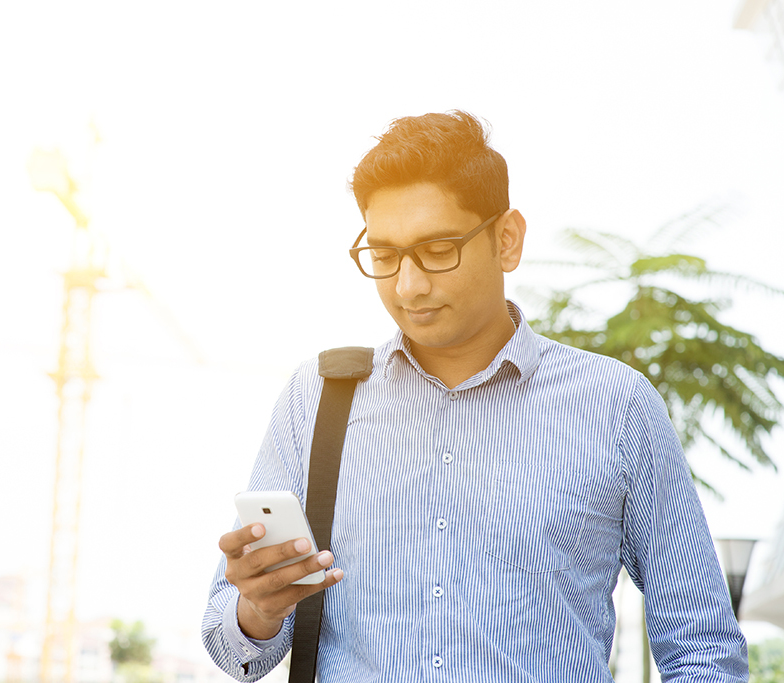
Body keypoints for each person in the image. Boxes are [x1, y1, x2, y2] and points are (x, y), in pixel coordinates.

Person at [201, 111, 748, 682]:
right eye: (384, 256)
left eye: (438, 249)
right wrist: (259, 610)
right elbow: (233, 648)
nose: (409, 286)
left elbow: (703, 648)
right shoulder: (316, 399)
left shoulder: (617, 405)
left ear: (506, 240)